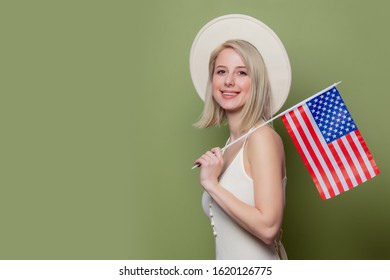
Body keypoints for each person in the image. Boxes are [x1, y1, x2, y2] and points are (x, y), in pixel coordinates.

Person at [189, 15, 292, 260]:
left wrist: (212, 185)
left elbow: (268, 228)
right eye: (221, 71)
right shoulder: (230, 144)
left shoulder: (261, 138)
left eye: (242, 73)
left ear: (256, 82)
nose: (229, 82)